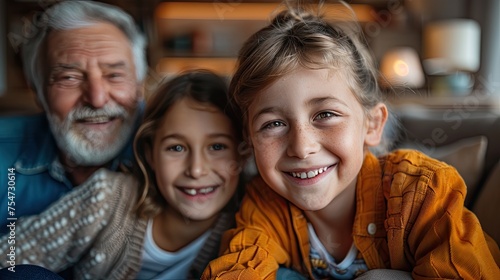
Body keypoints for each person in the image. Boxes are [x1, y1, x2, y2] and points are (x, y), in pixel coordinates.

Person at [202, 3, 500, 279]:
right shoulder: (264, 205)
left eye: (325, 114)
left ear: (372, 124)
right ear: (250, 140)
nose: (302, 147)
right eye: (274, 124)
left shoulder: (422, 192)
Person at [0, 69, 247, 279]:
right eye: (176, 148)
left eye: (217, 147)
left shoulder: (249, 217)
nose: (196, 169)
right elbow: (8, 256)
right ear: (150, 154)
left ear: (242, 153)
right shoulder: (108, 198)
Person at [0, 0, 148, 232]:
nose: (97, 99)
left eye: (115, 75)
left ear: (140, 86)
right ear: (37, 92)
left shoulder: (177, 149)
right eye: (69, 78)